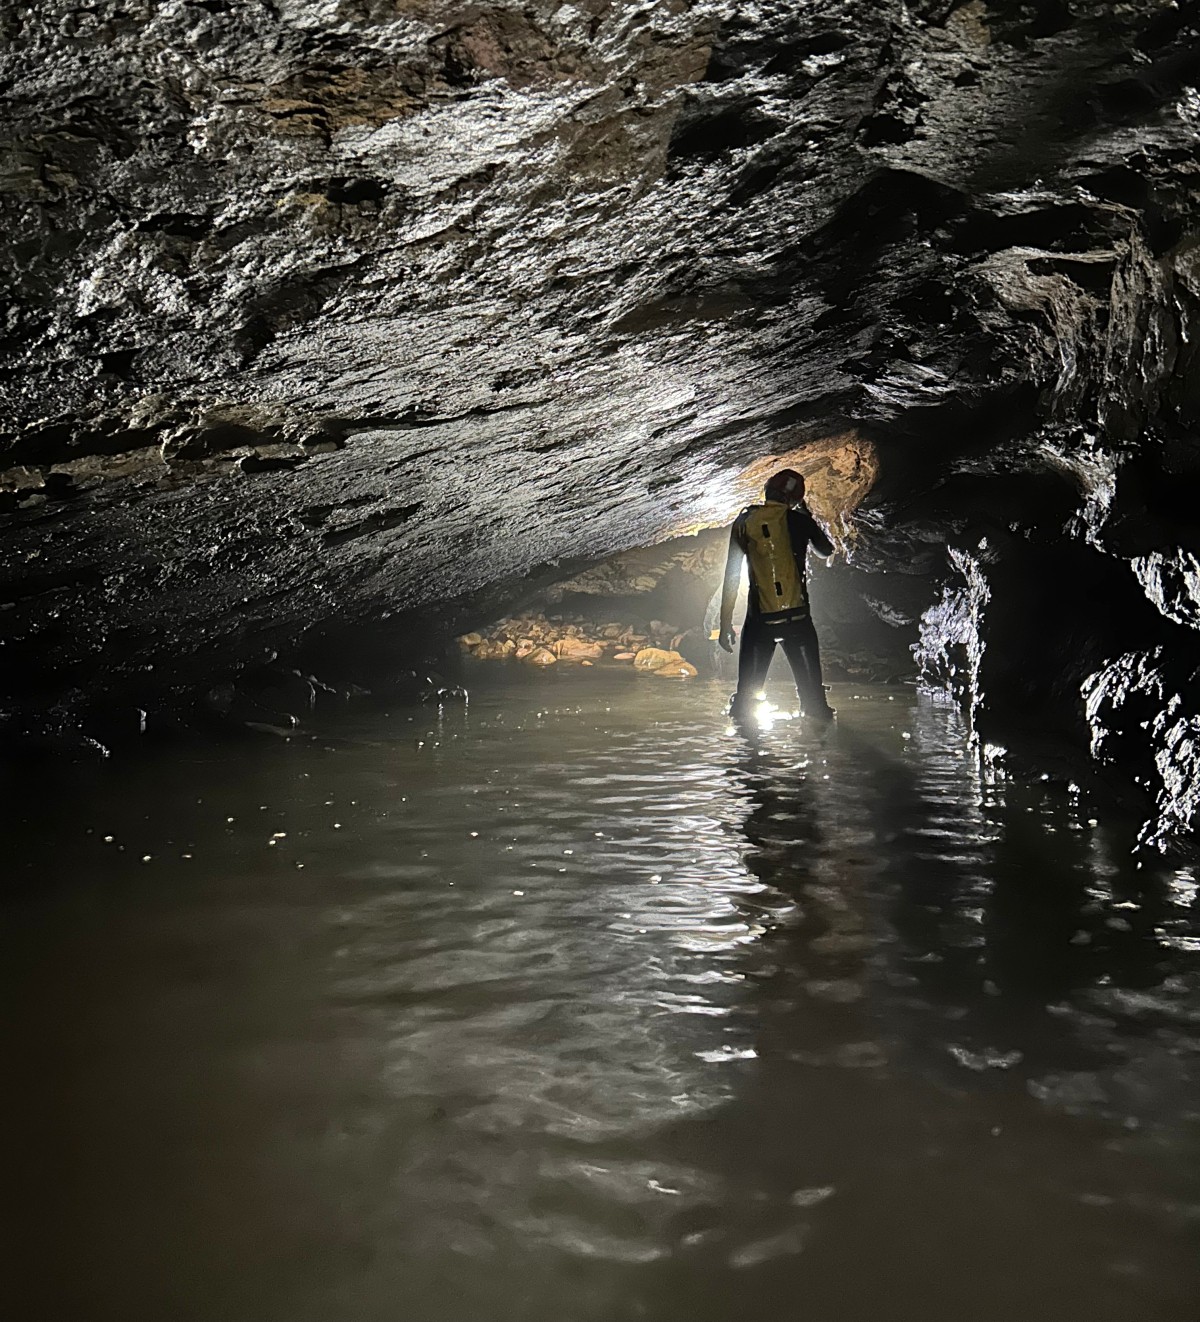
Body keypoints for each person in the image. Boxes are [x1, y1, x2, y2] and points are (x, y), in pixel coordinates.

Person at [718, 468, 836, 720]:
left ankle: (748, 752)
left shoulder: (744, 522)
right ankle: (819, 748)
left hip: (761, 622)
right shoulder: (799, 521)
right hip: (798, 621)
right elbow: (826, 551)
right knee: (815, 704)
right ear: (794, 499)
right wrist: (805, 513)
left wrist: (725, 623)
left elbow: (731, 576)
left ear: (767, 490)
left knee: (745, 704)